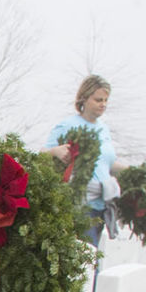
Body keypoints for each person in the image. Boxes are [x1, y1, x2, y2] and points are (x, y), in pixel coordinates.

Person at [45, 75, 122, 245]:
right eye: (98, 99)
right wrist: (56, 151)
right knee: (87, 256)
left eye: (106, 100)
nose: (103, 104)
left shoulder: (103, 129)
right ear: (84, 99)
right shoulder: (68, 125)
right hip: (80, 204)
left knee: (94, 258)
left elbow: (106, 164)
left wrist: (132, 171)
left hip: (102, 204)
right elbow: (42, 154)